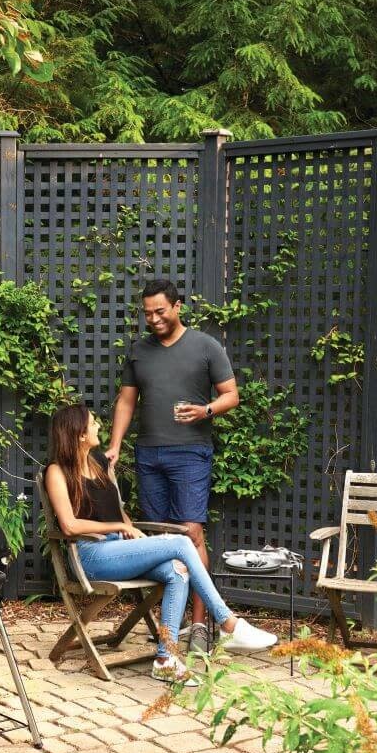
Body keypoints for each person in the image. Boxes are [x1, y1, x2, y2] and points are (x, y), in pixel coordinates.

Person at [45, 403, 275, 683]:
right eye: (93, 423)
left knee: (178, 570)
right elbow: (69, 525)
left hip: (119, 550)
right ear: (80, 433)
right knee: (180, 543)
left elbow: (115, 510)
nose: (99, 426)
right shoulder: (57, 472)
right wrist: (120, 526)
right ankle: (228, 622)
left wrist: (126, 525)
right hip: (91, 556)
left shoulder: (99, 463)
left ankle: (166, 659)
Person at [105, 280, 240, 655]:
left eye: (160, 311)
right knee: (162, 538)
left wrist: (205, 410)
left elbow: (231, 395)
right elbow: (126, 402)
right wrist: (115, 445)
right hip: (148, 454)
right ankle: (172, 623)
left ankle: (199, 625)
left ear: (178, 307)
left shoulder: (205, 346)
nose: (153, 319)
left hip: (190, 452)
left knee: (191, 533)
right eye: (147, 313)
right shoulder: (139, 351)